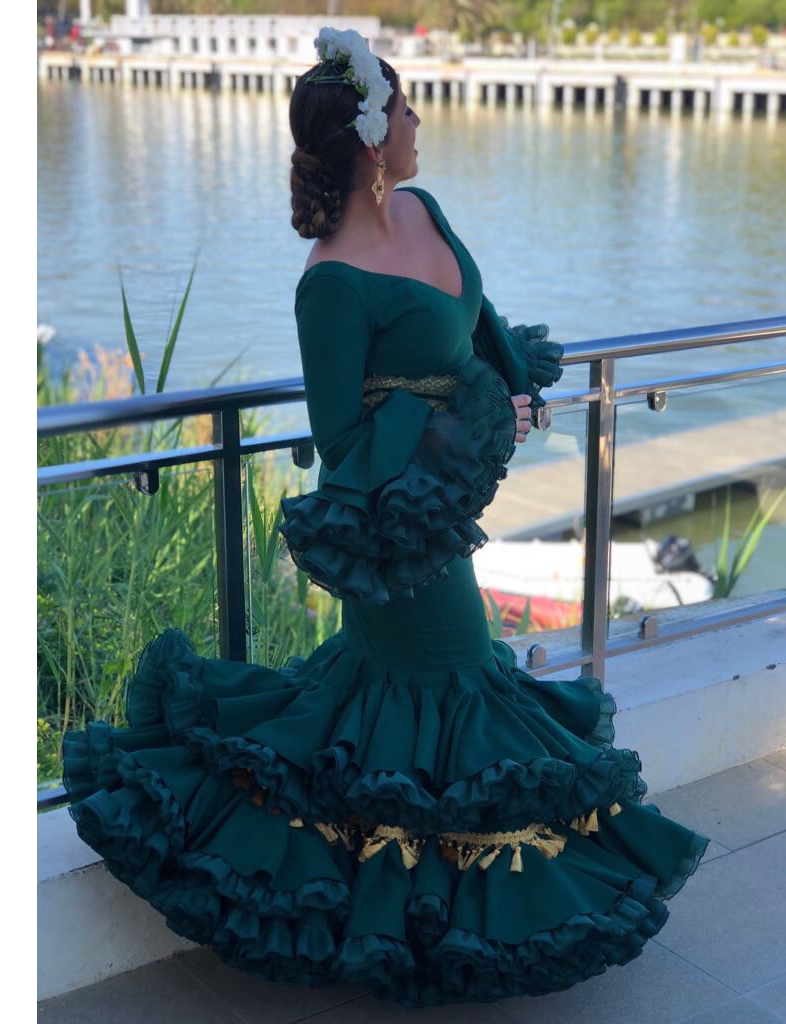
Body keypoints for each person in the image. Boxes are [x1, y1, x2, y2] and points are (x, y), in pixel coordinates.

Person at [61, 26, 711, 1008]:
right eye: (404, 109)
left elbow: (477, 327)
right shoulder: (329, 281)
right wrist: (463, 415)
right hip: (389, 532)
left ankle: (407, 915)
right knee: (447, 686)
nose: (417, 121)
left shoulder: (424, 208)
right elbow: (339, 436)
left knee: (404, 708)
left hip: (441, 515)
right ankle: (419, 921)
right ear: (371, 138)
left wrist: (498, 388)